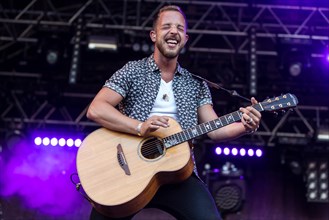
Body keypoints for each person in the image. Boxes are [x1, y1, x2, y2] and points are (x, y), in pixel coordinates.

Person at [86, 5, 261, 220]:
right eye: (166, 26)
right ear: (153, 35)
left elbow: (215, 129)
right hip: (129, 171)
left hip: (178, 174)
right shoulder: (132, 71)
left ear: (185, 39)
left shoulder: (196, 84)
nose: (173, 31)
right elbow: (96, 109)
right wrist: (140, 127)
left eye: (179, 28)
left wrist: (245, 126)